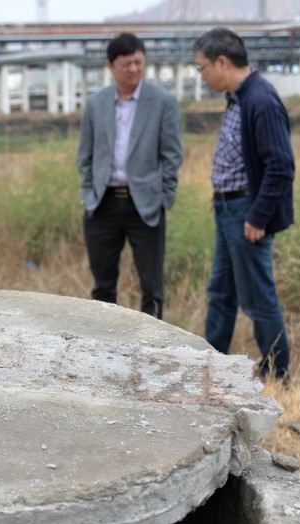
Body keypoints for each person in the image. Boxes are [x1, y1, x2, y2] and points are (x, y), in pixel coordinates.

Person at [194, 27, 294, 383]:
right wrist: (221, 197)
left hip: (247, 214)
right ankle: (213, 368)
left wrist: (258, 215)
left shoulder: (261, 99)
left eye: (202, 68)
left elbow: (281, 166)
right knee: (221, 294)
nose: (202, 76)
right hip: (228, 210)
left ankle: (278, 377)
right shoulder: (238, 97)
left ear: (222, 62)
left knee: (257, 299)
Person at [76, 32, 183, 319]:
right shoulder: (95, 104)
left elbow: (172, 155)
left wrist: (164, 198)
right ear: (111, 66)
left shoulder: (162, 102)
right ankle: (104, 345)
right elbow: (84, 155)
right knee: (103, 286)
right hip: (103, 204)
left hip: (145, 205)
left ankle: (152, 351)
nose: (134, 69)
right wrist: (88, 194)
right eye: (126, 64)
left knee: (152, 287)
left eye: (138, 62)